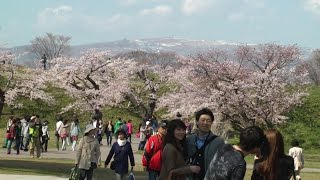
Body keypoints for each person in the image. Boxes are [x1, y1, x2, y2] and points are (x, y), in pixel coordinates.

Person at [186, 108, 225, 180]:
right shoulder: (189, 140)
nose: (205, 123)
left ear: (211, 123)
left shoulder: (218, 142)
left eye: (208, 121)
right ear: (197, 122)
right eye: (203, 120)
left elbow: (222, 164)